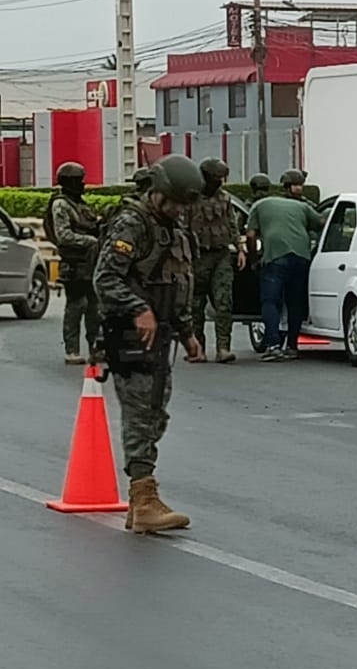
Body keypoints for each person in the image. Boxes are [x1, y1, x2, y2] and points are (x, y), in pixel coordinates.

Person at [94, 155, 204, 534]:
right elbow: (106, 279)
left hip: (160, 337)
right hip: (130, 336)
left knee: (156, 412)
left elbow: (176, 280)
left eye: (184, 204)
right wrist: (138, 308)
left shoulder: (172, 226)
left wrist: (187, 331)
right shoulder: (132, 223)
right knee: (142, 414)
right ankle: (142, 500)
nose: (179, 209)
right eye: (174, 201)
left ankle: (143, 496)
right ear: (157, 192)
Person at [246, 177, 325, 361]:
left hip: (275, 255)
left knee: (270, 301)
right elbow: (321, 222)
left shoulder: (258, 206)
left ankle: (273, 345)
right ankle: (292, 346)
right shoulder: (302, 207)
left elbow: (250, 236)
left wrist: (253, 261)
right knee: (295, 302)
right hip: (301, 256)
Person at [188, 158, 246, 364]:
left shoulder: (225, 198)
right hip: (197, 257)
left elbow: (232, 225)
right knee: (196, 305)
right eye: (216, 178)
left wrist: (240, 249)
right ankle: (198, 349)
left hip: (221, 254)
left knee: (224, 302)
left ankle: (223, 347)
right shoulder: (190, 199)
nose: (220, 182)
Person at [46, 161, 102, 364]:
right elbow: (63, 235)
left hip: (91, 262)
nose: (82, 184)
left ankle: (96, 348)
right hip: (74, 263)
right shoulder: (61, 204)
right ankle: (72, 350)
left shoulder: (80, 204)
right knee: (76, 307)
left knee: (95, 308)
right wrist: (90, 240)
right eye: (78, 180)